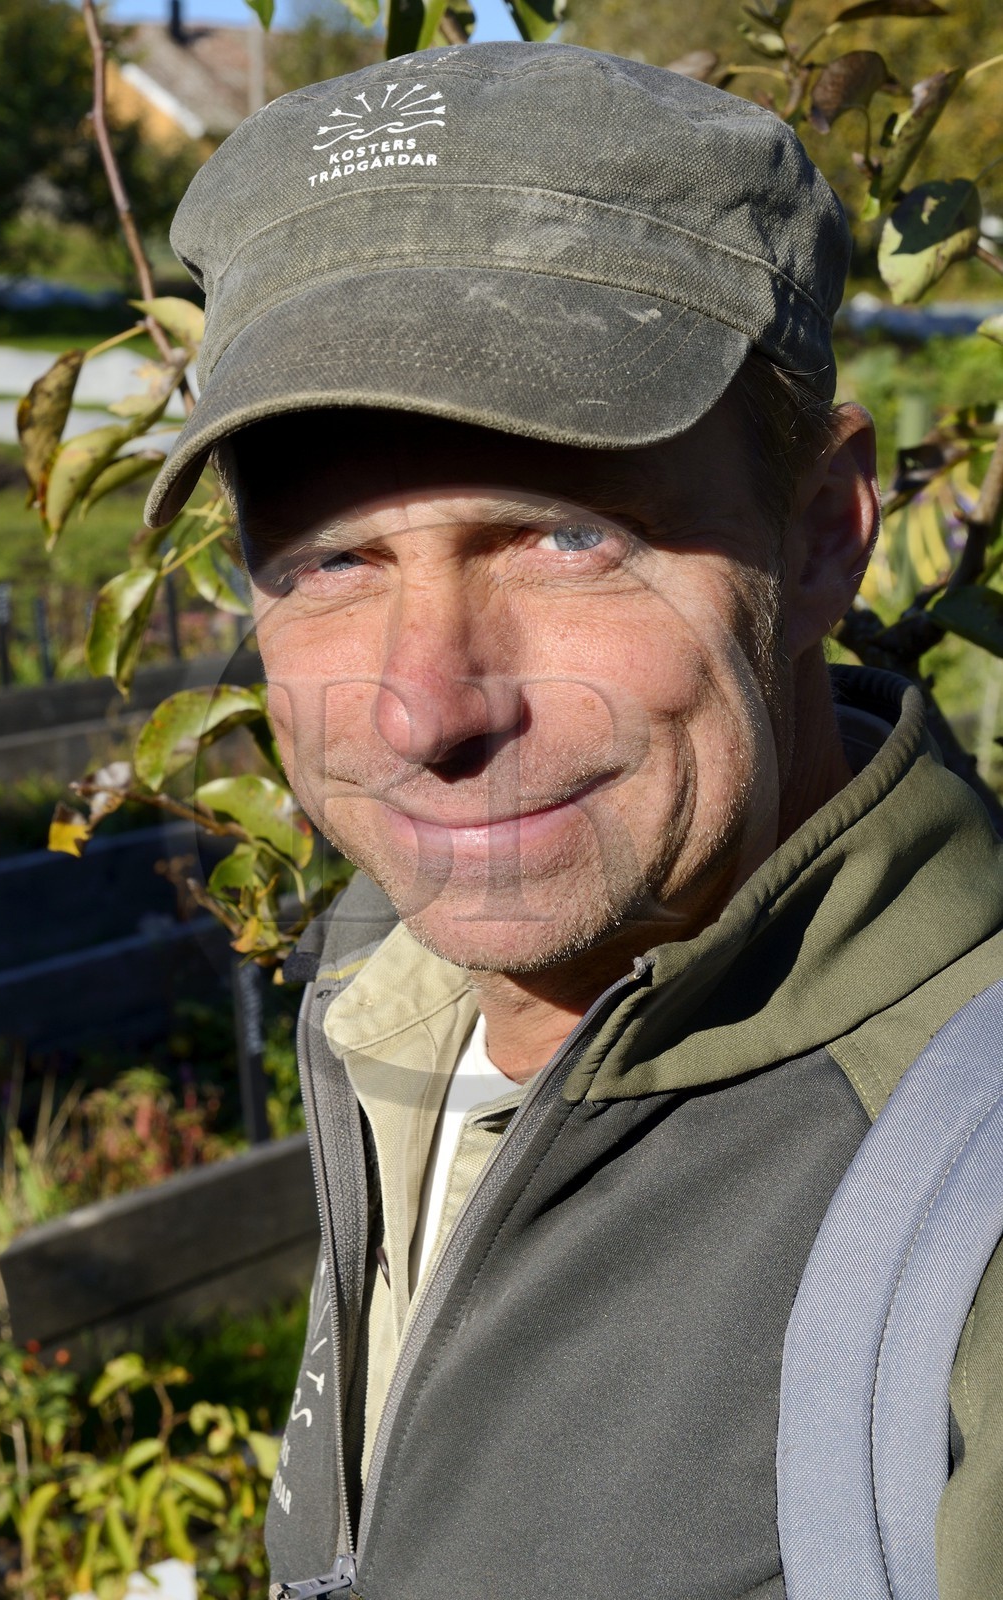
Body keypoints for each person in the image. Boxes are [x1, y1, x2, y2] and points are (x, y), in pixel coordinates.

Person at [144, 41, 1003, 1600]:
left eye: (565, 534)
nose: (423, 707)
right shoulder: (390, 992)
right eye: (329, 561)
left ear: (820, 537)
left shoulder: (968, 1232)